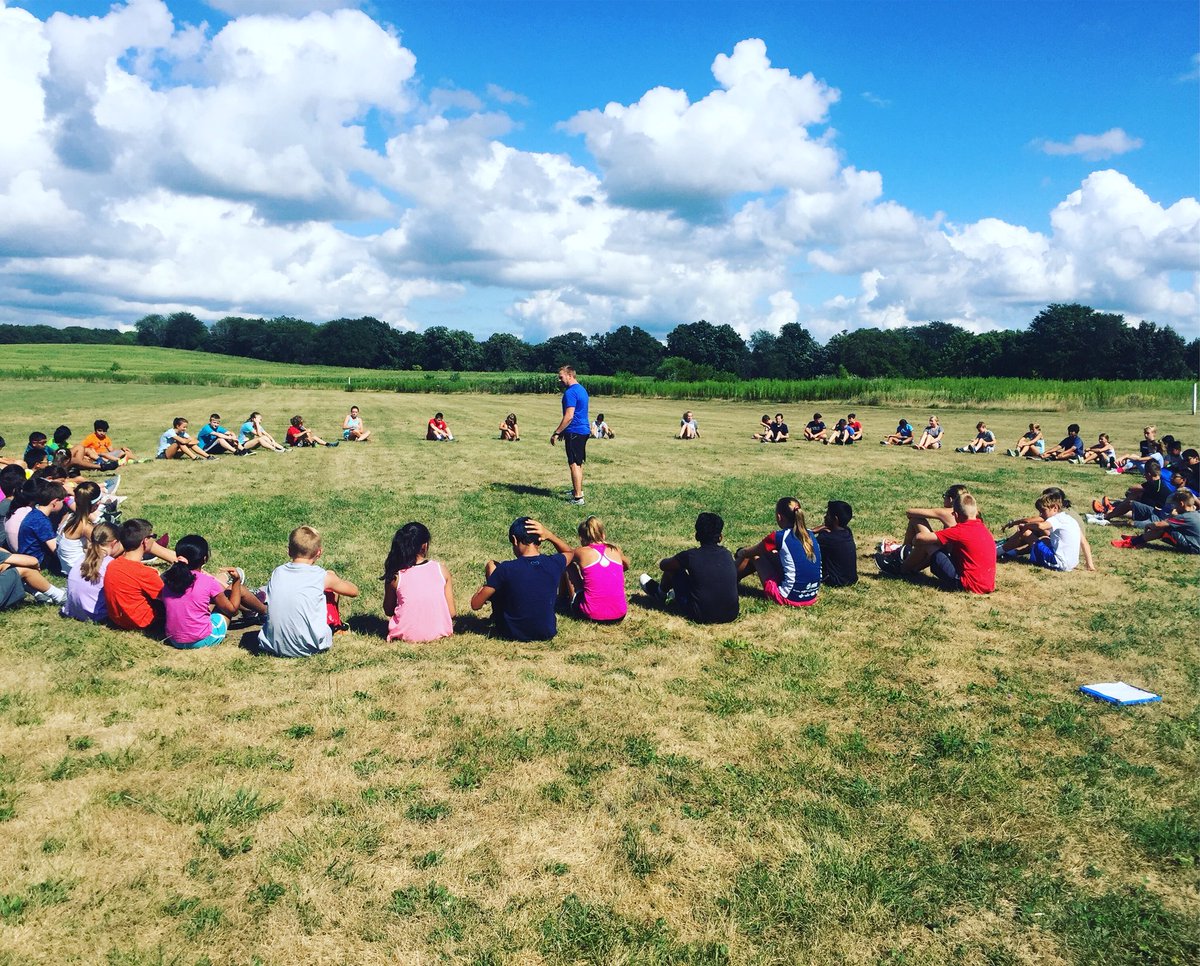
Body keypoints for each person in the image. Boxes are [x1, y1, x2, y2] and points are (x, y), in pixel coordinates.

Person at [257, 526, 360, 657]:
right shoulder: (321, 576)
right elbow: (354, 591)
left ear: (289, 551)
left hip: (273, 645)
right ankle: (336, 625)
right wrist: (335, 579)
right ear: (319, 552)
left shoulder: (277, 573)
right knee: (329, 585)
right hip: (311, 646)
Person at [876, 488, 996, 593]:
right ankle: (910, 568)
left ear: (956, 515)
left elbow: (920, 539)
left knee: (929, 544)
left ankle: (900, 569)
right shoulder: (984, 530)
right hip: (987, 585)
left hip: (965, 584)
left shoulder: (960, 530)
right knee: (936, 544)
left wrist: (916, 544)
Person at [469, 516, 568, 641]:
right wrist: (550, 535)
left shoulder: (506, 569)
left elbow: (475, 605)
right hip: (546, 632)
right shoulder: (553, 563)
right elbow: (570, 553)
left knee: (492, 565)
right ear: (539, 539)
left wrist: (482, 591)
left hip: (511, 633)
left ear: (515, 540)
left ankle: (497, 615)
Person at [161, 535, 265, 649]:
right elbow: (232, 610)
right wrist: (236, 580)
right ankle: (265, 612)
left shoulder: (167, 578)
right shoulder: (207, 581)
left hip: (174, 639)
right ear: (205, 559)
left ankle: (250, 611)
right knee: (237, 590)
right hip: (202, 640)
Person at [641, 512, 738, 624]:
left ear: (697, 536)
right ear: (720, 537)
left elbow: (664, 566)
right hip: (731, 613)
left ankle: (660, 594)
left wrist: (674, 560)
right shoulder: (727, 554)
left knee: (674, 570)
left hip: (700, 615)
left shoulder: (690, 556)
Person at [527, 515, 629, 623]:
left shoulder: (582, 552)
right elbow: (626, 566)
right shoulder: (615, 550)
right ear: (603, 535)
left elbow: (566, 553)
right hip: (620, 614)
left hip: (590, 615)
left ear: (581, 538)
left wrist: (550, 536)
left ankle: (562, 599)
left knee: (567, 563)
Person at [735, 497, 822, 607]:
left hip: (788, 598)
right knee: (772, 554)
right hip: (811, 596)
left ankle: (726, 581)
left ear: (779, 517)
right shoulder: (809, 534)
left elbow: (751, 552)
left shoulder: (778, 537)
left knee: (755, 556)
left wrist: (740, 552)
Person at [383, 521, 454, 642]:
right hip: (440, 633)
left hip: (406, 636)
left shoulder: (396, 577)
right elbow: (451, 612)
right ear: (425, 545)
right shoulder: (441, 570)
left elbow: (388, 610)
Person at [997, 492, 1095, 572]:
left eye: (1043, 511)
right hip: (1071, 564)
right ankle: (1010, 553)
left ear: (1055, 508)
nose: (1041, 514)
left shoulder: (1056, 518)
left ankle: (997, 552)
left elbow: (1040, 526)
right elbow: (1084, 542)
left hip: (1058, 563)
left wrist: (1026, 526)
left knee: (1025, 532)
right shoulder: (1070, 519)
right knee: (1044, 538)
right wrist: (1090, 565)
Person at [104, 518, 171, 631]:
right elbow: (168, 597)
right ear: (145, 541)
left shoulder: (112, 565)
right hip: (144, 622)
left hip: (118, 620)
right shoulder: (145, 573)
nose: (154, 540)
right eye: (152, 536)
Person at [61, 521, 120, 621]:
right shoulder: (111, 564)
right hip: (96, 615)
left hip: (72, 610)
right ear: (114, 543)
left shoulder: (81, 558)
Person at [1110, 489, 1200, 554]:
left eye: (1175, 505)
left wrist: (1149, 525)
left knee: (1162, 528)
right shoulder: (1196, 514)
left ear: (1181, 504)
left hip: (1192, 547)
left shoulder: (1184, 517)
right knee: (1166, 527)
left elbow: (1159, 525)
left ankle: (1132, 542)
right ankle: (1137, 539)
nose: (1174, 507)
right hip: (1197, 545)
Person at [551, 366, 590, 506]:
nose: (559, 380)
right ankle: (577, 490)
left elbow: (569, 416)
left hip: (575, 431)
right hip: (582, 431)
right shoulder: (581, 389)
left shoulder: (571, 392)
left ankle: (578, 498)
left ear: (569, 375)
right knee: (578, 463)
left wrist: (557, 432)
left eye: (561, 377)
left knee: (573, 463)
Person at [1092, 462, 1171, 524]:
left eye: (1145, 474)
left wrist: (1129, 493)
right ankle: (1111, 508)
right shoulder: (1160, 483)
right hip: (1157, 510)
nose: (1144, 476)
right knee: (1136, 497)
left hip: (1158, 514)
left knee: (1132, 500)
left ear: (1149, 474)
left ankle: (1107, 514)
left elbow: (1132, 488)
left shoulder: (1153, 484)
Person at [17, 481, 67, 571]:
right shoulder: (41, 521)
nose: (63, 505)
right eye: (62, 501)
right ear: (55, 502)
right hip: (37, 560)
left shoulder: (35, 513)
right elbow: (56, 550)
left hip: (26, 556)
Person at [56, 480, 101, 574]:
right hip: (77, 570)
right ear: (97, 504)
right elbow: (103, 546)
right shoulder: (85, 527)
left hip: (66, 564)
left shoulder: (69, 516)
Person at [814, 500, 858, 587]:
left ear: (835, 519)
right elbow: (829, 526)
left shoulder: (827, 538)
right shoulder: (847, 532)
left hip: (835, 580)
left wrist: (812, 531)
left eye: (827, 514)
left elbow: (806, 544)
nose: (825, 517)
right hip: (851, 579)